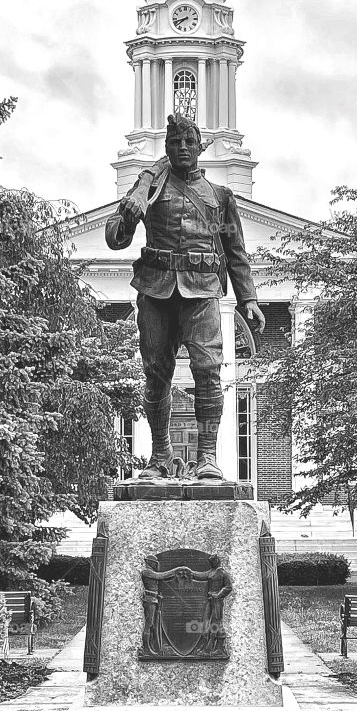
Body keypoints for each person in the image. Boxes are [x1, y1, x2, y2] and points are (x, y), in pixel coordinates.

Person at [105, 112, 265, 479]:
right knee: (156, 374)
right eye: (174, 142)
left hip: (202, 292)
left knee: (208, 370)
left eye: (188, 142)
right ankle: (160, 456)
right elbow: (115, 239)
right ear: (166, 147)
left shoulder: (219, 197)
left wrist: (249, 299)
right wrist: (130, 212)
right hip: (156, 291)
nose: (181, 148)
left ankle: (207, 455)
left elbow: (235, 251)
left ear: (199, 147)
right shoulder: (149, 188)